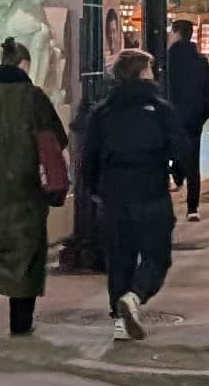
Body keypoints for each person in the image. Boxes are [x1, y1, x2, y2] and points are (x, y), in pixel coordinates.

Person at [0, 35, 68, 337]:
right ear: (25, 64)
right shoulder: (32, 95)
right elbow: (55, 137)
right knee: (26, 254)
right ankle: (20, 325)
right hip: (24, 184)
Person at [76, 49, 183, 340]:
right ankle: (135, 296)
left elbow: (88, 158)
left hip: (114, 194)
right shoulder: (160, 109)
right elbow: (179, 148)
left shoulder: (103, 111)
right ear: (141, 73)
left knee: (119, 258)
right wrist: (178, 174)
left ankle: (121, 320)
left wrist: (95, 190)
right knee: (156, 255)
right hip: (150, 191)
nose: (154, 73)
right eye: (150, 68)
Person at [163, 18, 209, 216]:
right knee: (193, 161)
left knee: (167, 155)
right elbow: (208, 93)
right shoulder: (200, 61)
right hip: (193, 119)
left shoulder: (166, 60)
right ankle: (192, 208)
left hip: (170, 118)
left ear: (176, 33)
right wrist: (201, 114)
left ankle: (176, 175)